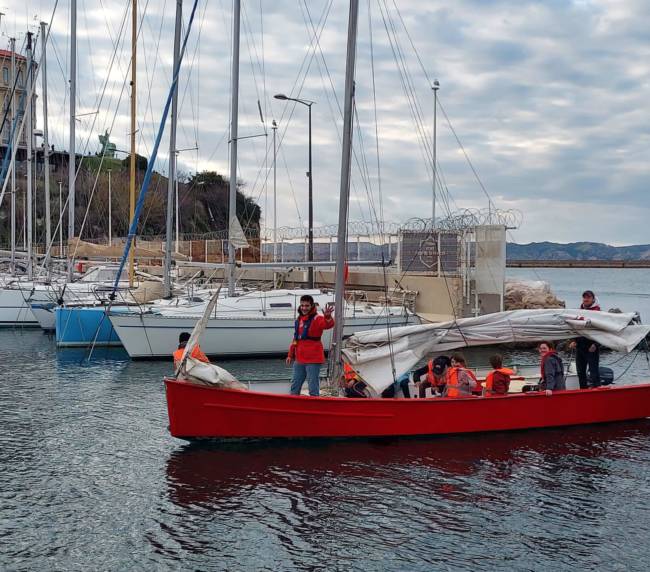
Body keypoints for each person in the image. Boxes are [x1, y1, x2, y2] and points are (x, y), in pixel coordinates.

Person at [287, 295, 334, 396]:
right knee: (295, 385)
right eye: (302, 305)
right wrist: (290, 355)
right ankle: (293, 406)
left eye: (307, 306)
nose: (304, 308)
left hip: (313, 359)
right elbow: (295, 339)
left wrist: (328, 317)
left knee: (313, 387)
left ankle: (315, 406)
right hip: (299, 359)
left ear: (312, 305)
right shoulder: (299, 319)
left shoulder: (317, 318)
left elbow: (328, 325)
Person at [570, 290, 601, 388]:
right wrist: (573, 341)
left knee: (593, 372)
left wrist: (596, 344)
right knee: (580, 372)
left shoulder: (598, 313)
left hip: (591, 347)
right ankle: (583, 391)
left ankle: (597, 390)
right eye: (584, 297)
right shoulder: (579, 312)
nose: (586, 299)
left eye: (588, 297)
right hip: (580, 346)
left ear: (593, 299)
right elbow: (575, 328)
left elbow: (602, 331)